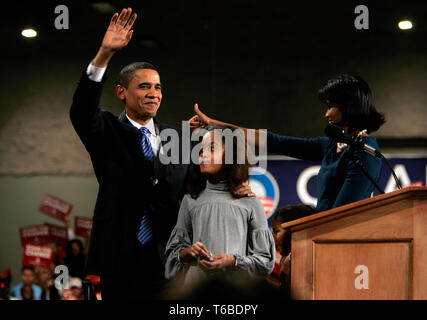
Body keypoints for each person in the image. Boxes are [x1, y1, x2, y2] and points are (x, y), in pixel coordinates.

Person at [70, 8, 252, 300]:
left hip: (171, 255)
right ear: (121, 92)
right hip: (119, 256)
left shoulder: (178, 138)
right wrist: (104, 54)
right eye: (144, 86)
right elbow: (81, 109)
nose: (153, 93)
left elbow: (204, 178)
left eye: (157, 87)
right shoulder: (105, 131)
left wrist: (236, 184)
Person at [190, 75, 386, 212]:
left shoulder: (365, 152)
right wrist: (216, 125)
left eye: (331, 106)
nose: (326, 114)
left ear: (349, 107)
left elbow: (343, 214)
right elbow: (274, 142)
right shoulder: (330, 145)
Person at [164, 125, 275, 297]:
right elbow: (172, 260)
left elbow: (265, 262)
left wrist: (233, 260)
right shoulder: (190, 200)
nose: (203, 154)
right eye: (201, 150)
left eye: (212, 148)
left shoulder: (250, 203)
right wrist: (185, 253)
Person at [271, 204, 317, 298]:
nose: (272, 238)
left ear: (295, 230)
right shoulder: (287, 260)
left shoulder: (294, 262)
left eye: (276, 232)